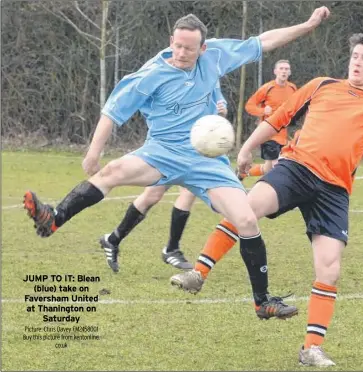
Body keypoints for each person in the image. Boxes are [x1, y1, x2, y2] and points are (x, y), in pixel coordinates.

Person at [170, 33, 363, 366]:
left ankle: (311, 348)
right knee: (246, 208)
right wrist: (245, 149)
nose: (357, 62)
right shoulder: (321, 85)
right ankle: (198, 273)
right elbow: (279, 118)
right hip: (297, 168)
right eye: (355, 56)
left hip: (334, 191)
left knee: (329, 268)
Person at [22, 8, 332, 320]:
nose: (182, 53)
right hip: (161, 153)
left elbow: (262, 41)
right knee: (113, 171)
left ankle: (263, 301)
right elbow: (111, 113)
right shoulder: (150, 75)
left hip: (206, 162)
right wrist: (93, 153)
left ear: (203, 48)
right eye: (177, 46)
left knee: (247, 220)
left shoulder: (215, 56)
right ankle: (54, 218)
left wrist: (307, 24)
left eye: (189, 48)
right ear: (171, 40)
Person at [99, 83, 228, 273]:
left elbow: (219, 113)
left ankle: (119, 240)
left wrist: (221, 112)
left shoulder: (210, 78)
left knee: (182, 192)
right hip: (170, 146)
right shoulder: (175, 78)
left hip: (194, 148)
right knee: (153, 195)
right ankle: (125, 241)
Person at [239, 59, 297, 180]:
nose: (284, 71)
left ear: (290, 72)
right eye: (281, 68)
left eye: (286, 69)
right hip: (268, 133)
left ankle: (243, 173)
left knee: (267, 168)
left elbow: (297, 105)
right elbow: (249, 106)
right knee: (278, 165)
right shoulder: (267, 88)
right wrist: (262, 111)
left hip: (282, 133)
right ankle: (274, 193)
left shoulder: (293, 88)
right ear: (275, 71)